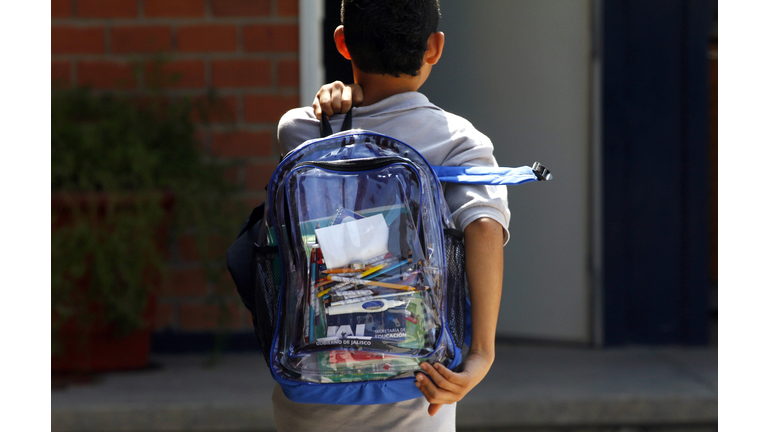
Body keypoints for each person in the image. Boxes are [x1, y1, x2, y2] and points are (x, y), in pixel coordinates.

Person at [272, 1, 509, 430]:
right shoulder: (458, 140)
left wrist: (341, 99)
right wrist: (481, 354)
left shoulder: (302, 131)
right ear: (434, 47)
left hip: (312, 382)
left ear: (342, 43)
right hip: (417, 386)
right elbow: (486, 227)